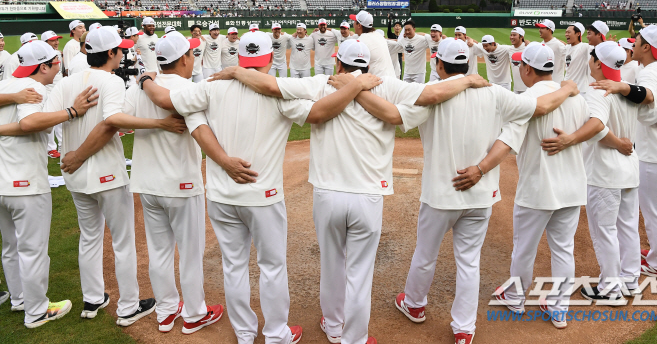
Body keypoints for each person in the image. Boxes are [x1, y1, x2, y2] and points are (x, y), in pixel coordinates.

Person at [209, 38, 493, 344]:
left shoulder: (322, 82)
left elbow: (271, 85)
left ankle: (333, 325)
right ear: (367, 66)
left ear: (339, 64)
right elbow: (435, 92)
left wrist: (237, 72)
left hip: (327, 194)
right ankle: (354, 338)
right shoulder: (387, 86)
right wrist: (467, 80)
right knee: (360, 274)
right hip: (368, 196)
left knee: (332, 264)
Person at [142, 31, 375, 344]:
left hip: (222, 195)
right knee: (272, 268)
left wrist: (145, 78)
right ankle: (277, 334)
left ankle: (244, 333)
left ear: (241, 57)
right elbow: (319, 113)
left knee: (234, 266)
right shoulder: (276, 91)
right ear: (269, 59)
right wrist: (358, 85)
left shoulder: (212, 86)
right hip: (263, 197)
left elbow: (165, 99)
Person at [356, 38, 577, 344]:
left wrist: (352, 88)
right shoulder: (495, 93)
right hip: (481, 193)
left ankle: (415, 304)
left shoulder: (432, 98)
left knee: (425, 255)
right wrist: (566, 88)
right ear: (469, 64)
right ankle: (464, 328)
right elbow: (538, 107)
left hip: (440, 195)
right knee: (469, 262)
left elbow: (394, 117)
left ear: (439, 64)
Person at [46, 26, 184, 326]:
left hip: (75, 173)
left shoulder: (64, 83)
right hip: (104, 171)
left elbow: (48, 122)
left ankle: (93, 299)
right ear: (110, 53)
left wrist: (73, 152)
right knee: (122, 241)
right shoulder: (111, 81)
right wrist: (159, 124)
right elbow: (111, 123)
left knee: (90, 237)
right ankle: (128, 307)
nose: (122, 53)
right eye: (119, 49)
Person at [542, 41, 657, 300]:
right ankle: (630, 280)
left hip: (605, 172)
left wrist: (570, 139)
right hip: (630, 169)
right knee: (627, 226)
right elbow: (653, 115)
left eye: (592, 57)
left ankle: (610, 288)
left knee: (605, 231)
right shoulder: (628, 91)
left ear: (598, 63)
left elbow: (597, 125)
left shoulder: (599, 91)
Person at [123, 32, 223, 334]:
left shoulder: (140, 88)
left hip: (147, 182)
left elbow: (120, 124)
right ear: (183, 59)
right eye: (191, 54)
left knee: (159, 251)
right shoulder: (192, 89)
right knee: (190, 253)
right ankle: (194, 313)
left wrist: (143, 82)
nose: (193, 58)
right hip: (181, 184)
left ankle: (166, 311)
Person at [0, 40, 97, 328]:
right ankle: (37, 311)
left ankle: (20, 299)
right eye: (54, 62)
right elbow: (30, 124)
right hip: (26, 183)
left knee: (10, 246)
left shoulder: (6, 84)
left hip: (3, 182)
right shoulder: (37, 88)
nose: (58, 65)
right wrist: (72, 112)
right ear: (42, 66)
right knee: (32, 250)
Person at [590, 25, 657, 277]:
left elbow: (648, 102)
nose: (634, 45)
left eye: (637, 41)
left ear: (647, 47)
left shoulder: (650, 72)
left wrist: (624, 88)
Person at [495, 42, 589, 329]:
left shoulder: (525, 99)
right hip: (572, 186)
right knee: (564, 249)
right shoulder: (577, 98)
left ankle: (516, 298)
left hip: (538, 188)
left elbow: (508, 142)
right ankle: (559, 309)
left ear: (527, 68)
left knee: (524, 248)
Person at [40, 30, 65, 159]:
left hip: (58, 89)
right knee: (49, 120)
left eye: (56, 39)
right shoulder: (40, 56)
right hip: (47, 90)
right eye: (52, 40)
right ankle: (51, 148)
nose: (56, 42)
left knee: (61, 119)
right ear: (45, 42)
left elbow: (60, 72)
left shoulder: (57, 53)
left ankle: (62, 145)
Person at [350, 11, 395, 78]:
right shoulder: (378, 35)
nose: (353, 24)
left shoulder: (361, 41)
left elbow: (355, 69)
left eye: (354, 21)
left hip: (379, 83)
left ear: (359, 25)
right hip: (392, 80)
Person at [564, 23, 591, 93]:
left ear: (578, 34)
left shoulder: (584, 47)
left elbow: (598, 48)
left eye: (569, 32)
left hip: (580, 90)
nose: (566, 34)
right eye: (566, 32)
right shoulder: (567, 47)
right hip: (566, 88)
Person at [508, 27, 527, 94]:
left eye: (514, 35)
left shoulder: (527, 48)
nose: (512, 37)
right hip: (516, 88)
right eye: (511, 35)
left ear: (521, 37)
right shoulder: (510, 49)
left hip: (527, 89)